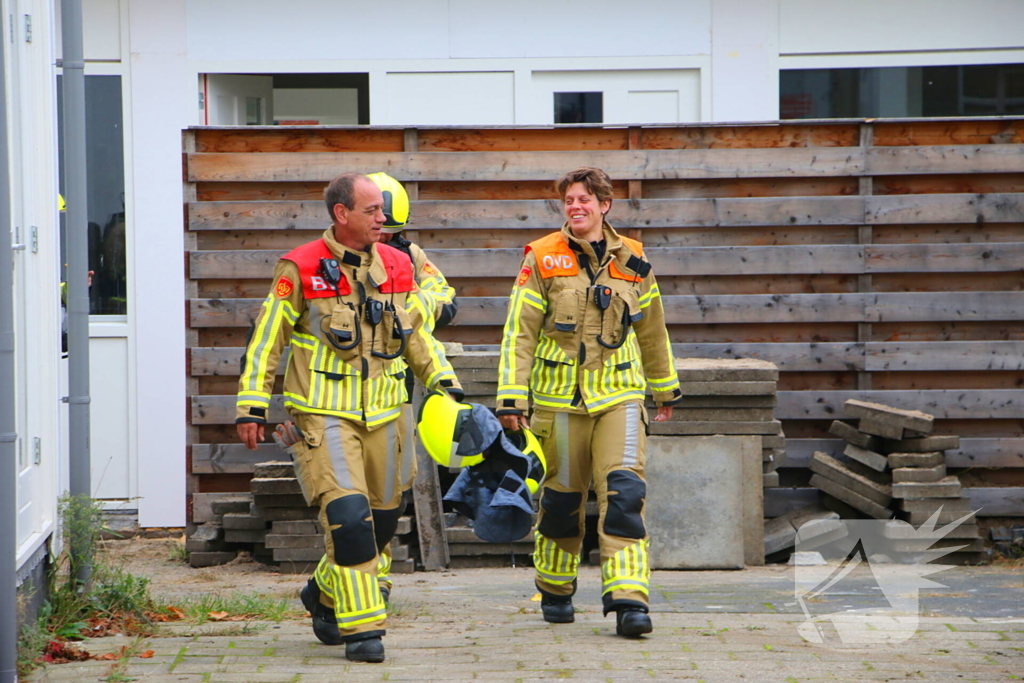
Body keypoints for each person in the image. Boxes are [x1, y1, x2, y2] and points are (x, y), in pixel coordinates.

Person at [236, 172, 463, 663]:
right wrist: (252, 405)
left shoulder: (400, 265)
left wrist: (446, 384)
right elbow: (267, 339)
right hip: (321, 414)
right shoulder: (299, 267)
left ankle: (322, 591)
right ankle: (364, 632)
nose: (384, 219)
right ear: (342, 214)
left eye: (383, 211)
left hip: (386, 413)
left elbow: (417, 336)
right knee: (349, 521)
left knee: (381, 526)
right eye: (373, 211)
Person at [496, 166, 682, 638]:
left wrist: (664, 388)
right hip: (557, 404)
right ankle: (555, 588)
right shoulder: (541, 257)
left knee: (625, 495)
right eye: (569, 201)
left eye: (584, 200)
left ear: (604, 205)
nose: (575, 207)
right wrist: (511, 398)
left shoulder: (634, 259)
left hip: (619, 396)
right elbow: (519, 332)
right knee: (562, 504)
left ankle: (629, 600)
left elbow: (652, 329)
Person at [365, 171, 458, 600]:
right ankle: (362, 577)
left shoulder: (411, 256)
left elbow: (443, 294)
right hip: (348, 391)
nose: (382, 238)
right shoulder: (340, 257)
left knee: (391, 488)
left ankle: (376, 577)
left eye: (391, 231)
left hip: (397, 383)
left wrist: (415, 308)